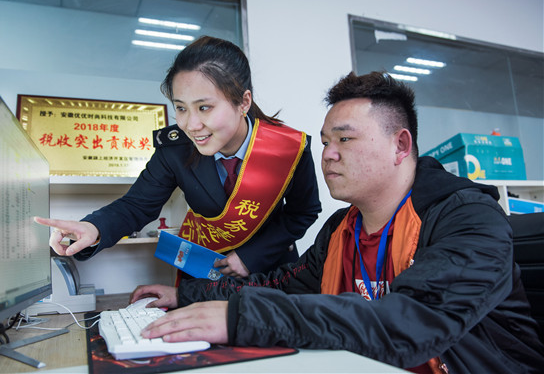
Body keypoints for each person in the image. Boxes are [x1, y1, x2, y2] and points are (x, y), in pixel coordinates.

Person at [130, 71, 544, 373]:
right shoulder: (341, 229)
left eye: (345, 139)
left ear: (400, 145)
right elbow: (280, 284)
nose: (327, 154)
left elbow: (409, 322)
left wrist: (239, 318)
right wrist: (188, 296)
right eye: (326, 141)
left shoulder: (467, 218)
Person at [35, 36, 321, 278]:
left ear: (243, 102)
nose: (191, 125)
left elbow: (303, 212)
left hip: (270, 276)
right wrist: (93, 227)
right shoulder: (176, 149)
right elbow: (137, 205)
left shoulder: (287, 148)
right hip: (206, 274)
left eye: (204, 107)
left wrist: (251, 256)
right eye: (181, 108)